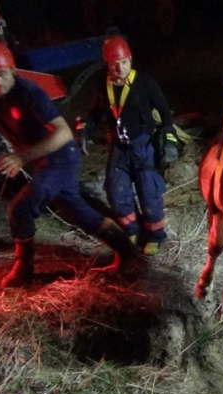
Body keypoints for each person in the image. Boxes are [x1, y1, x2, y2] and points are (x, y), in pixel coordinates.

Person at [0, 40, 138, 288]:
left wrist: (21, 157)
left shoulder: (29, 93)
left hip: (60, 158)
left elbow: (63, 133)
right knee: (75, 211)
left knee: (20, 209)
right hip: (40, 161)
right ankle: (127, 251)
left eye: (1, 74)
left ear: (12, 70)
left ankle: (23, 268)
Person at [82, 35, 178, 256]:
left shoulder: (144, 83)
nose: (120, 67)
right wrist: (86, 131)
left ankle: (155, 235)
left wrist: (169, 140)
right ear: (107, 63)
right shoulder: (101, 85)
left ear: (130, 60)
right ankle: (131, 229)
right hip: (119, 148)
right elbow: (96, 113)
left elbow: (164, 112)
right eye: (115, 63)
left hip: (143, 146)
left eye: (124, 61)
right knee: (116, 191)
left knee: (149, 192)